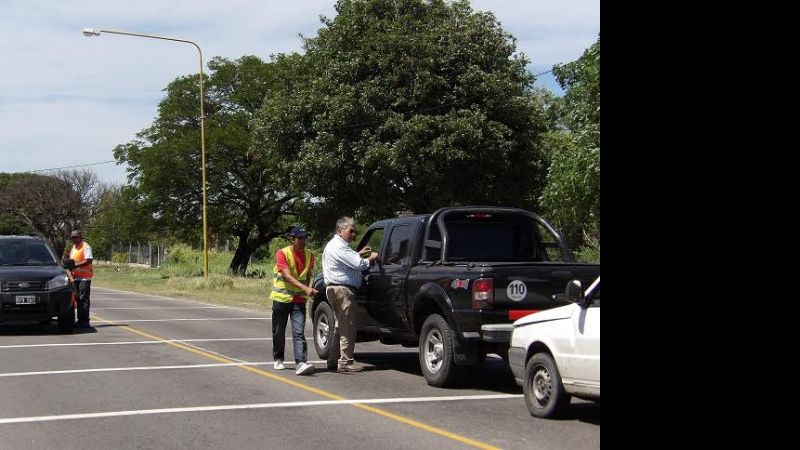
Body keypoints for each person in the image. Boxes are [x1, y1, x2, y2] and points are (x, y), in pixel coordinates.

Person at [322, 217, 379, 373]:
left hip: (335, 289)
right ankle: (345, 362)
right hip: (342, 290)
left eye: (355, 231)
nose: (353, 234)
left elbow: (347, 261)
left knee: (340, 326)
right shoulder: (340, 246)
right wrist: (371, 258)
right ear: (340, 231)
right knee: (348, 327)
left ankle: (333, 360)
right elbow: (358, 265)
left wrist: (358, 253)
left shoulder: (337, 246)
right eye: (351, 230)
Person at [270, 227, 318, 375]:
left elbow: (307, 274)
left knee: (299, 332)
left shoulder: (310, 254)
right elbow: (286, 276)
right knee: (279, 331)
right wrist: (305, 289)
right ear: (292, 239)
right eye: (300, 238)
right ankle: (278, 358)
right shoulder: (282, 253)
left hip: (299, 300)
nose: (304, 241)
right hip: (281, 298)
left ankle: (301, 363)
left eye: (305, 238)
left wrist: (308, 289)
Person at [68, 230, 94, 330]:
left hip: (84, 277)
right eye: (72, 238)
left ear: (80, 237)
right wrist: (70, 266)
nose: (73, 239)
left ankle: (85, 322)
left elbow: (88, 260)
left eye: (75, 237)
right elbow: (73, 260)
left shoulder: (86, 247)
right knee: (78, 299)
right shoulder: (74, 247)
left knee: (83, 299)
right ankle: (80, 320)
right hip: (76, 277)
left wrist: (75, 265)